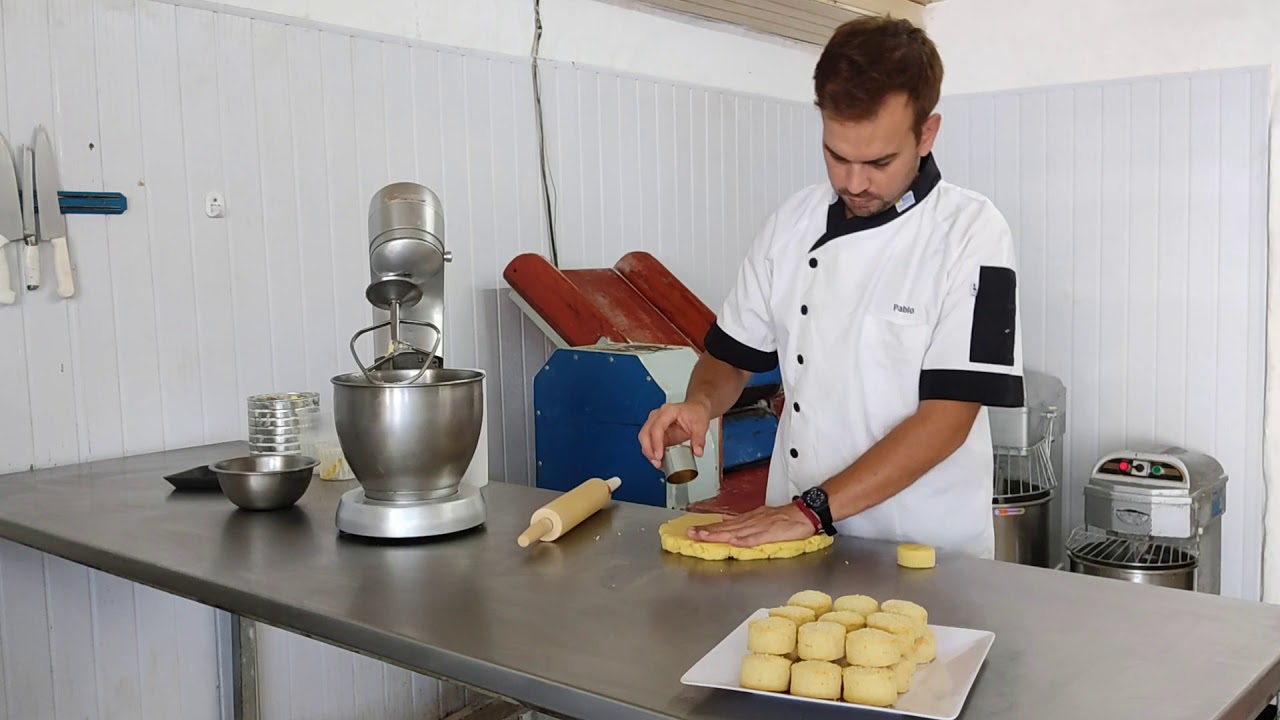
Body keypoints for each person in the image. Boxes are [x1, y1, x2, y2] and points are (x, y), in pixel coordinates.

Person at [637, 16, 1024, 559]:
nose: (854, 182)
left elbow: (947, 420)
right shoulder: (791, 224)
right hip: (796, 545)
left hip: (924, 555)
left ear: (927, 133)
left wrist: (810, 509)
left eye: (879, 161)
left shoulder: (973, 234)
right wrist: (700, 403)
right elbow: (730, 357)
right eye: (837, 156)